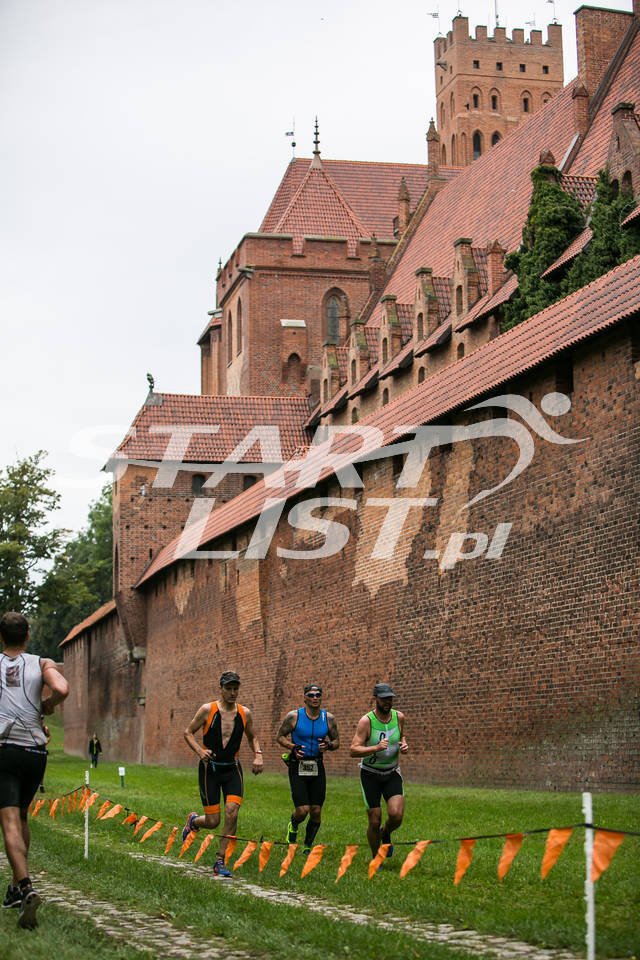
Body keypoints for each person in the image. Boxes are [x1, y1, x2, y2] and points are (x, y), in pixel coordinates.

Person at [0, 611, 68, 928]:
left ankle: (25, 886)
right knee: (23, 814)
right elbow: (62, 689)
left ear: (1, 637)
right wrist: (47, 706)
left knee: (9, 818)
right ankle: (14, 888)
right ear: (27, 635)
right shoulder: (41, 663)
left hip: (4, 750)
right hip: (34, 751)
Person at [182, 670, 263, 877]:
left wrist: (258, 755)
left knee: (232, 812)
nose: (233, 693)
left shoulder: (245, 713)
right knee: (213, 822)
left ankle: (220, 860)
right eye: (229, 689)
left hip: (232, 769)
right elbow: (188, 732)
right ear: (221, 688)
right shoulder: (207, 710)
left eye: (236, 689)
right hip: (210, 769)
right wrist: (200, 751)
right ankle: (193, 821)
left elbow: (253, 737)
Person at [276, 683, 339, 854]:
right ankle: (293, 825)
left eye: (318, 695)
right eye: (311, 695)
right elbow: (279, 736)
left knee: (316, 810)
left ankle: (307, 845)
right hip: (298, 765)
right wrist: (292, 747)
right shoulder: (294, 716)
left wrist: (329, 745)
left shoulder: (329, 719)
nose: (315, 698)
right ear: (304, 697)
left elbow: (336, 742)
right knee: (303, 810)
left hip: (317, 765)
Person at [350, 682, 408, 863]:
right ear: (375, 699)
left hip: (391, 772)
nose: (387, 702)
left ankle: (386, 833)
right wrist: (375, 747)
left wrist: (404, 744)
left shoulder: (399, 717)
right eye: (384, 699)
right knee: (374, 820)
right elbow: (353, 750)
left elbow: (401, 735)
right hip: (370, 774)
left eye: (390, 698)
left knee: (396, 815)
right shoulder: (366, 721)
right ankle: (376, 859)